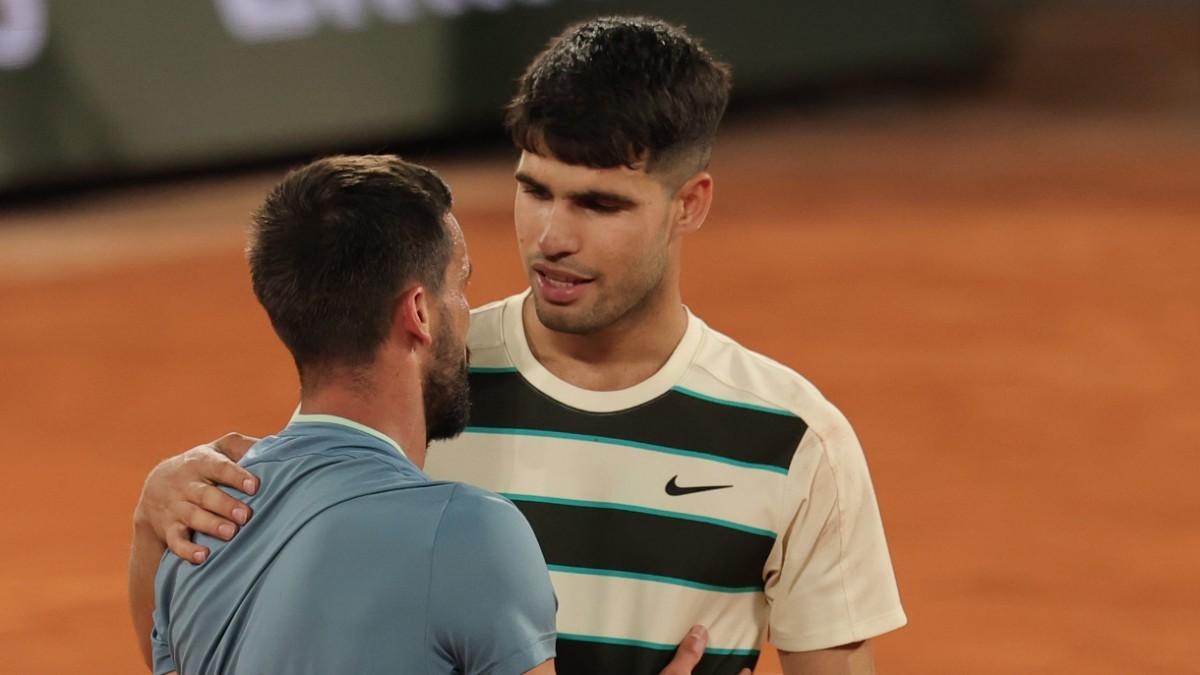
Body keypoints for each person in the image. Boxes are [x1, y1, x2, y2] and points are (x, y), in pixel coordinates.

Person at [131, 17, 906, 675]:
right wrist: (162, 510)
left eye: (600, 203)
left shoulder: (796, 441)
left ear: (688, 205)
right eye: (534, 189)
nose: (551, 237)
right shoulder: (418, 381)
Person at [137, 154, 562, 675]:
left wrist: (146, 527)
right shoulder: (468, 534)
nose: (467, 313)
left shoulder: (196, 529)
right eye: (460, 285)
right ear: (420, 313)